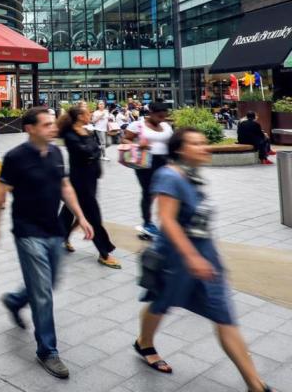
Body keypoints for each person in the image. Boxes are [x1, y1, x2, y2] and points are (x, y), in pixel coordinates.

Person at [136, 128, 273, 392]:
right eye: (196, 143)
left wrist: (204, 256)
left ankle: (255, 385)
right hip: (175, 259)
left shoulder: (193, 175)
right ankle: (144, 343)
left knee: (224, 316)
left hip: (206, 258)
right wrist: (191, 257)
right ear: (179, 149)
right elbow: (166, 220)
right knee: (160, 303)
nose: (204, 147)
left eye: (204, 142)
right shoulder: (169, 176)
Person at [0, 108, 94, 380]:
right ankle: (47, 350)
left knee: (50, 282)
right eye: (46, 124)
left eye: (52, 123)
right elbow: (1, 194)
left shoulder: (57, 153)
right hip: (27, 232)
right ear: (30, 128)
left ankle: (14, 300)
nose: (53, 127)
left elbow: (65, 186)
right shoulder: (15, 158)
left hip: (53, 230)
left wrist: (81, 217)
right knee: (43, 293)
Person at [58, 106, 121, 268]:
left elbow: (95, 150)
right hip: (79, 180)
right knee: (93, 216)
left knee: (68, 211)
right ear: (79, 116)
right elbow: (86, 152)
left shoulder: (87, 131)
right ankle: (104, 252)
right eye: (87, 113)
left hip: (90, 177)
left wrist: (93, 153)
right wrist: (93, 152)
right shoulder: (70, 135)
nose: (90, 115)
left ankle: (58, 237)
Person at [125, 102, 173, 239]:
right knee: (148, 192)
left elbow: (171, 142)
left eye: (164, 116)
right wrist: (137, 144)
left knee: (165, 192)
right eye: (159, 116)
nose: (161, 119)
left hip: (164, 162)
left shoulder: (166, 126)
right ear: (150, 113)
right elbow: (125, 139)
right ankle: (147, 222)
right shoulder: (138, 125)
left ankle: (166, 222)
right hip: (145, 163)